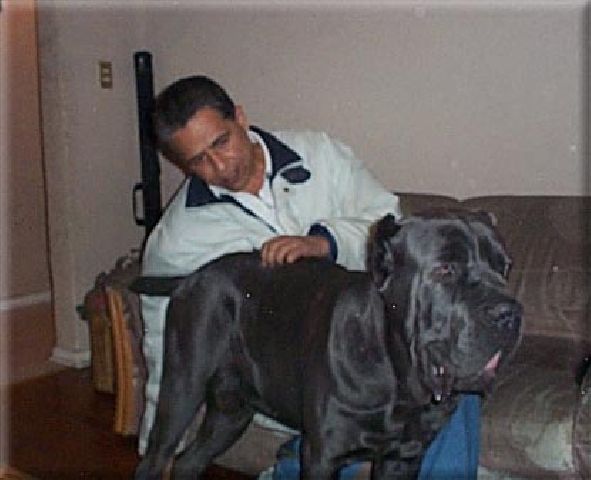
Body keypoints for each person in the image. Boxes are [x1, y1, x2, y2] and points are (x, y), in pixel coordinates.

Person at [139, 75, 481, 479]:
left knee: (456, 379)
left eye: (221, 142)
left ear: (241, 118)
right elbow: (167, 341)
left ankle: (298, 463)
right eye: (198, 161)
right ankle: (303, 458)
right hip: (290, 382)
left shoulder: (319, 155)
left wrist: (326, 242)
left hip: (369, 346)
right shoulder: (179, 238)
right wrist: (156, 447)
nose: (220, 166)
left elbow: (392, 227)